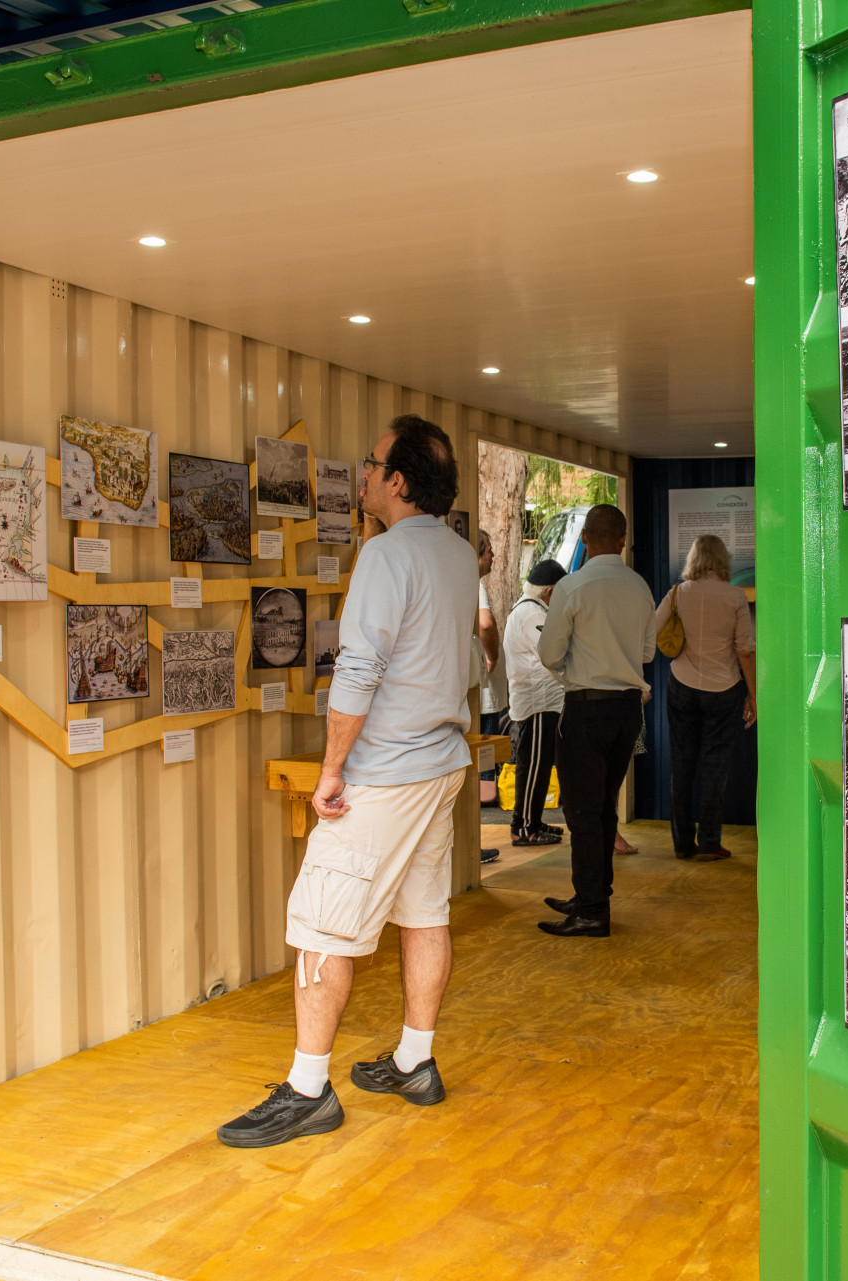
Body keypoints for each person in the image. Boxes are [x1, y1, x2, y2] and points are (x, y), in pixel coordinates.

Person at [217, 414, 475, 1150]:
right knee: (424, 912)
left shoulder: (388, 557)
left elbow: (358, 669)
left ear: (396, 481)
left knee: (323, 922)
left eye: (371, 463)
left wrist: (331, 770)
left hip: (385, 773)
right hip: (441, 766)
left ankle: (307, 1089)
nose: (360, 473)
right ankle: (415, 1062)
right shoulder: (458, 556)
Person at [535, 504, 655, 938]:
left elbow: (549, 653)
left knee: (582, 811)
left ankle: (590, 909)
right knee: (603, 805)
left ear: (586, 537)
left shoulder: (573, 585)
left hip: (586, 708)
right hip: (627, 709)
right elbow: (646, 654)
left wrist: (573, 673)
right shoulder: (640, 586)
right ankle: (593, 892)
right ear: (622, 539)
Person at [654, 534, 757, 862]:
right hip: (724, 690)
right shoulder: (735, 597)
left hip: (682, 685)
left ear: (694, 560)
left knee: (681, 765)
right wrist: (753, 697)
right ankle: (710, 843)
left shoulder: (677, 593)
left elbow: (652, 630)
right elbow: (745, 650)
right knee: (716, 767)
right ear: (722, 560)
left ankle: (683, 843)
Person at [504, 560, 568, 847]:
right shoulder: (531, 615)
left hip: (541, 702)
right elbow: (552, 653)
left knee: (538, 766)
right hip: (539, 703)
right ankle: (525, 827)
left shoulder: (531, 609)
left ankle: (532, 820)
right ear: (550, 591)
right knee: (534, 767)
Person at [475, 530, 506, 863]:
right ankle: (475, 846)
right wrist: (492, 654)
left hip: (479, 699)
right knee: (483, 775)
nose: (493, 557)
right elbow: (485, 624)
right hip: (481, 702)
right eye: (489, 552)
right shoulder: (476, 586)